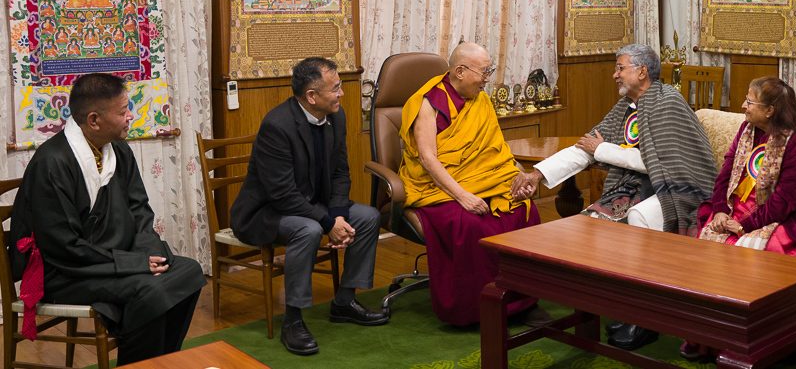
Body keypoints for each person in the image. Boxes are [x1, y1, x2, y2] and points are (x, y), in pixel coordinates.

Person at [514, 43, 717, 350]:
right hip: (637, 186)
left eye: (620, 68)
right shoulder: (625, 107)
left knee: (636, 217)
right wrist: (537, 175)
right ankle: (616, 305)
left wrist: (604, 151)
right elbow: (585, 147)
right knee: (593, 221)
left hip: (680, 189)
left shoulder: (668, 102)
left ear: (642, 71)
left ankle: (644, 317)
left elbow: (658, 163)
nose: (614, 75)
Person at [8, 73, 205, 365]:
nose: (130, 117)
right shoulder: (52, 163)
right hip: (66, 272)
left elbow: (140, 211)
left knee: (188, 271)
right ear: (94, 120)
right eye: (123, 111)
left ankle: (160, 361)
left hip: (113, 261)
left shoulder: (120, 152)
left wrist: (147, 255)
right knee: (150, 290)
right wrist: (134, 264)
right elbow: (63, 247)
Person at [230, 57, 386, 356]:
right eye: (336, 88)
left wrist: (338, 216)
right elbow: (282, 194)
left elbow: (341, 172)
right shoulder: (278, 126)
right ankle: (293, 319)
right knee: (309, 229)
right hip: (266, 212)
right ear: (312, 96)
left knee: (367, 217)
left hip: (315, 204)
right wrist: (329, 224)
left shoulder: (336, 116)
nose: (342, 94)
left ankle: (344, 301)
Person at [679, 77, 796, 361]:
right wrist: (720, 209)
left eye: (749, 102)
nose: (743, 106)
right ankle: (706, 339)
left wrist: (744, 225)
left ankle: (758, 342)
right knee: (708, 242)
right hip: (739, 211)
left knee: (758, 253)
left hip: (786, 217)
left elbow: (786, 200)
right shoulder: (747, 130)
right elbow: (725, 172)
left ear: (771, 110)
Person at [399, 42, 544, 327]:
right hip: (437, 185)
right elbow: (428, 159)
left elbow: (496, 149)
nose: (487, 78)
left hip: (481, 178)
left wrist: (520, 176)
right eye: (484, 72)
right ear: (461, 71)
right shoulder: (428, 104)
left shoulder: (481, 99)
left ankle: (523, 302)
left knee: (523, 210)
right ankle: (474, 310)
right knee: (471, 224)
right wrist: (463, 196)